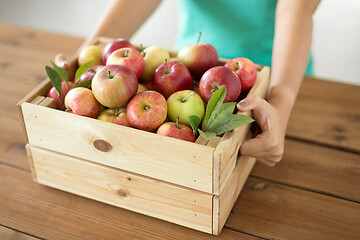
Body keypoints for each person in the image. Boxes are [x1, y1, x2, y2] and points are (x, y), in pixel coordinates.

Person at [58, 0, 321, 167]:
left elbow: (297, 7)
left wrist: (281, 102)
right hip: (188, 66)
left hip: (275, 76)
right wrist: (85, 60)